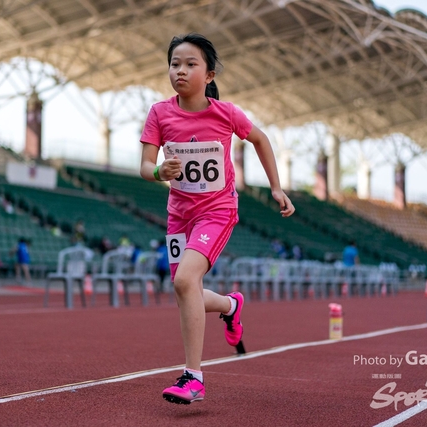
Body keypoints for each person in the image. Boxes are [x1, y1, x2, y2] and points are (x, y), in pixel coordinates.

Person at [139, 33, 295, 404]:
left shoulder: (225, 113)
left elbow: (259, 139)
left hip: (217, 211)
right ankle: (230, 306)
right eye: (175, 63)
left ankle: (193, 378)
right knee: (184, 291)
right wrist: (160, 172)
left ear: (209, 75)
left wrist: (275, 187)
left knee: (184, 280)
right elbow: (145, 166)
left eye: (190, 64)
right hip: (179, 215)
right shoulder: (160, 113)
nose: (180, 70)